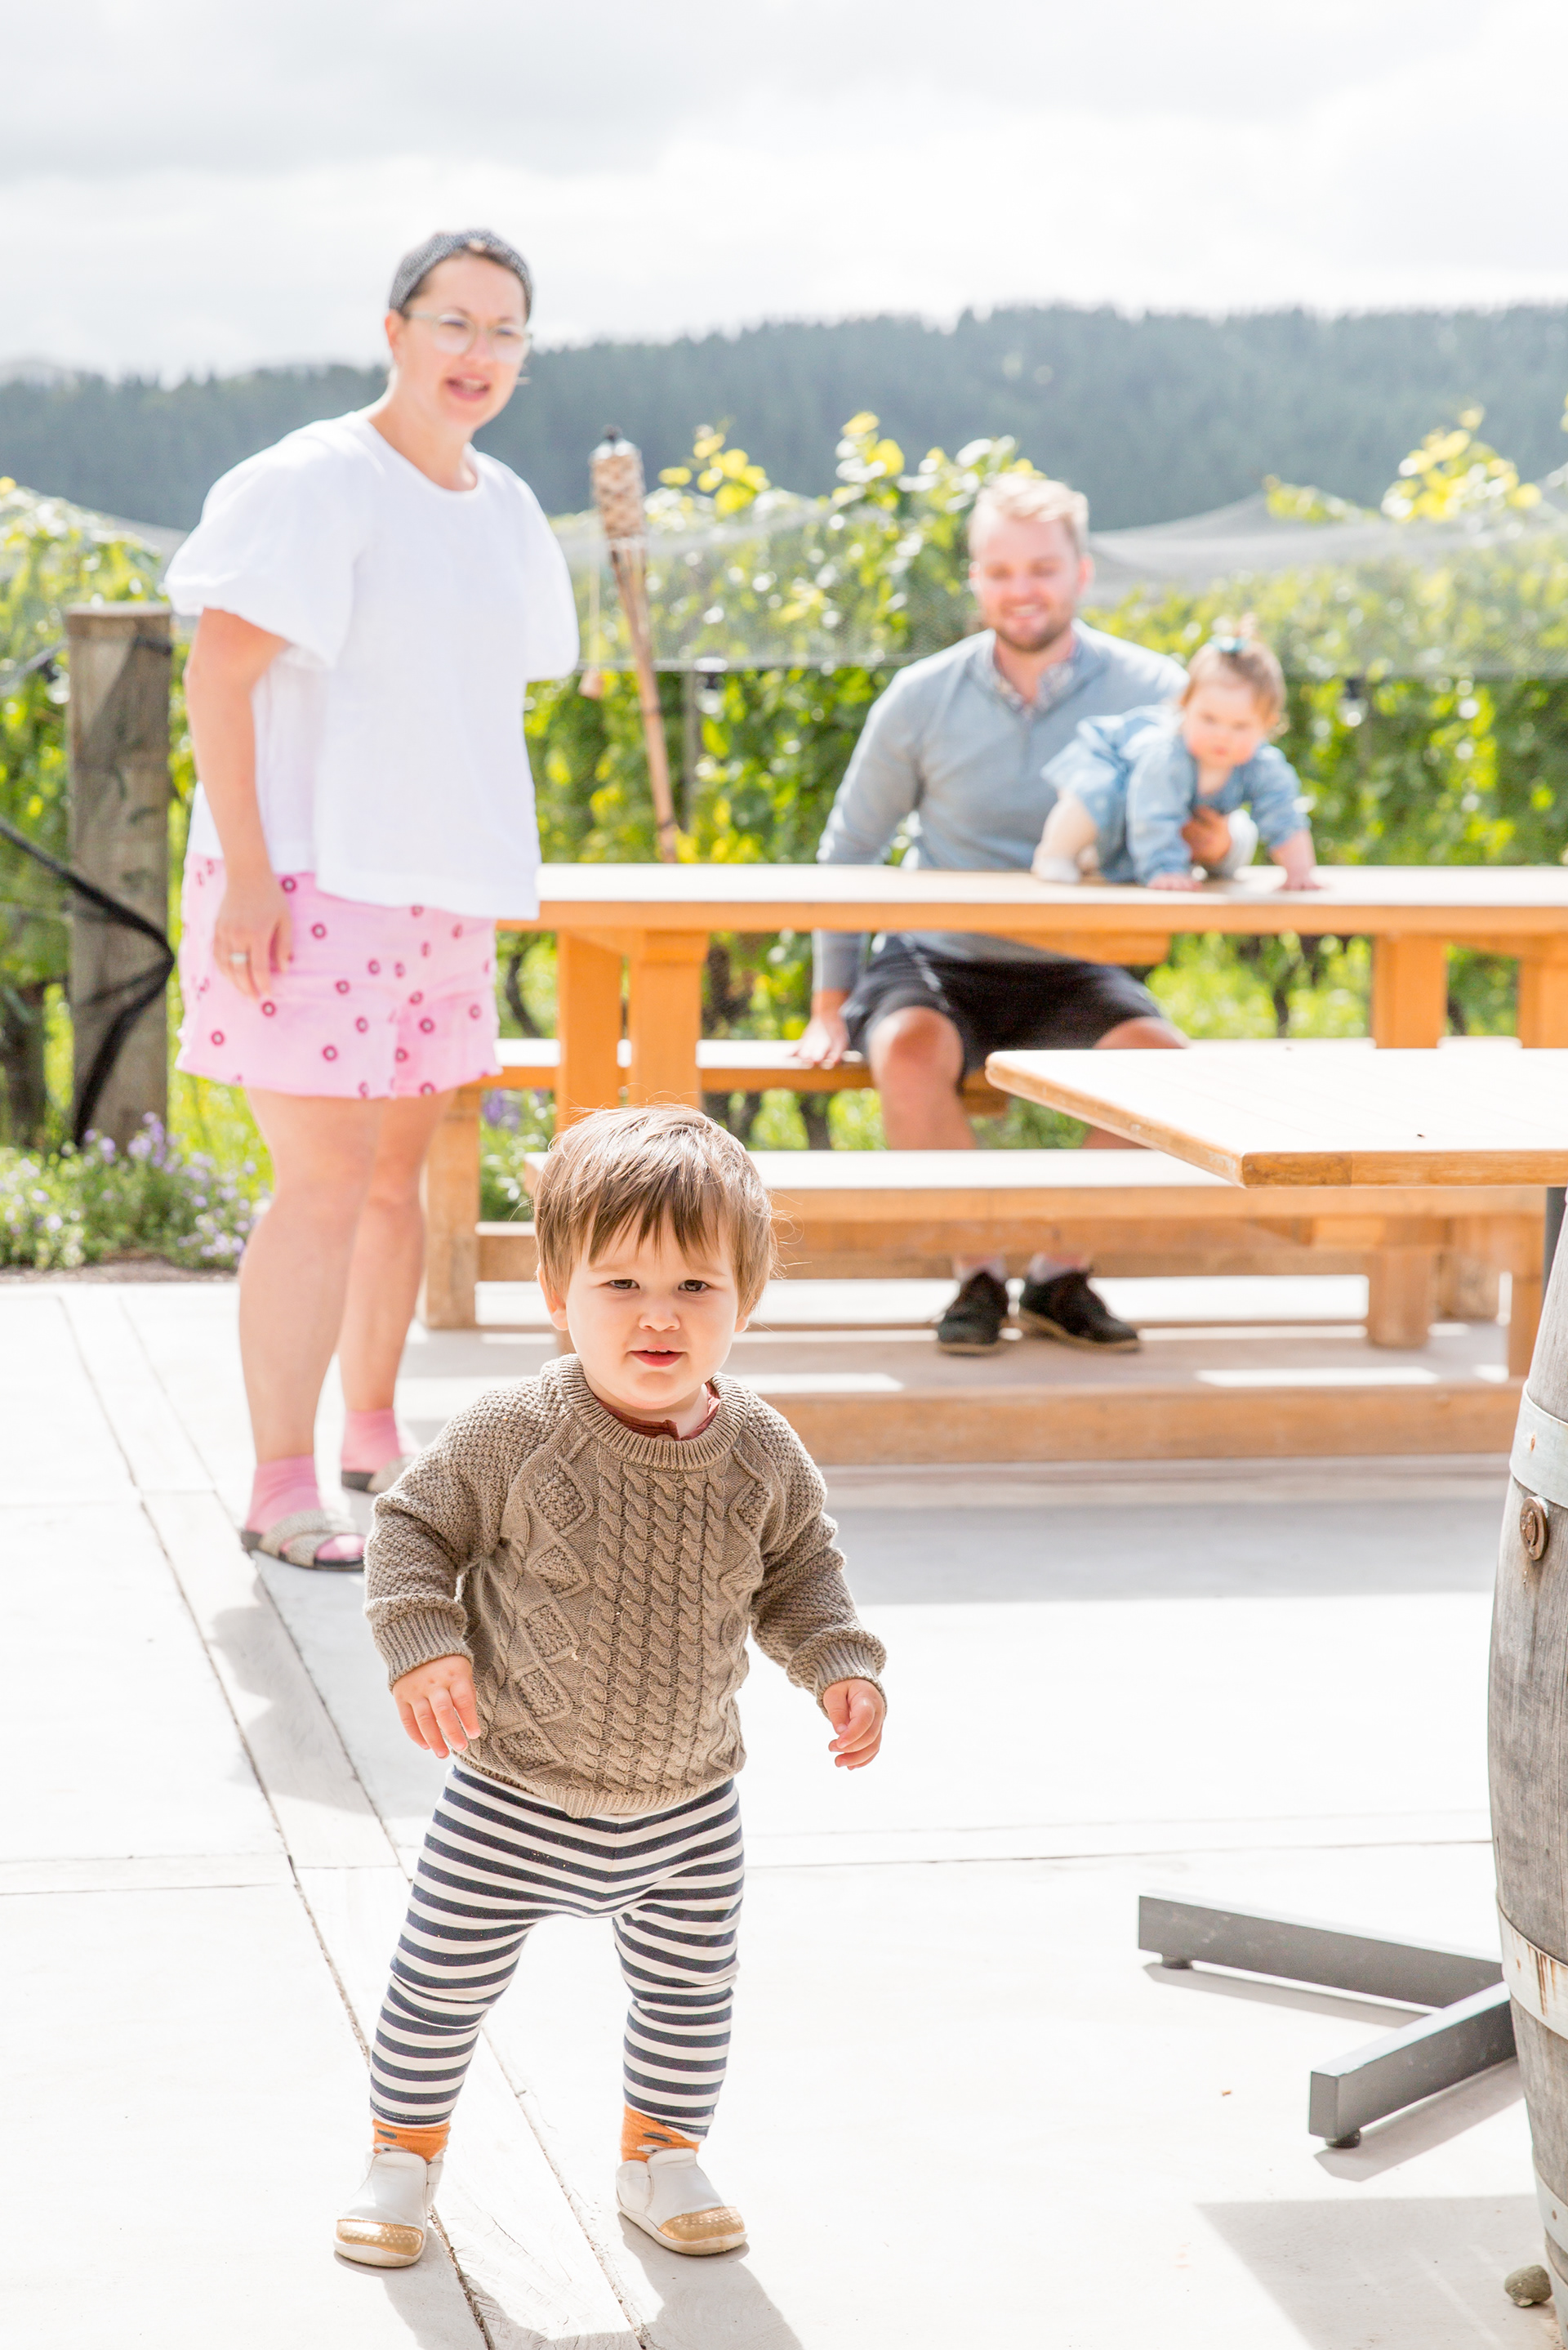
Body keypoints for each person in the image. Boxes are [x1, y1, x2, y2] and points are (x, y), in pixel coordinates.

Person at [335, 1105, 887, 2268]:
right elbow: (413, 1527)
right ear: (557, 1291)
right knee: (438, 1983)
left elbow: (802, 1572)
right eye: (621, 1283)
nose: (658, 1315)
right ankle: (402, 2154)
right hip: (514, 1790)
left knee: (691, 1994)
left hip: (688, 1804)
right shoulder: (516, 1430)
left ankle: (661, 2156)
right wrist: (425, 1640)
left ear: (746, 1299)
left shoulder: (761, 1451)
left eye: (696, 1286)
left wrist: (838, 1662)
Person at [167, 228, 577, 1567]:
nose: (478, 352)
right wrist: (246, 876)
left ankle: (373, 1436)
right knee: (323, 1186)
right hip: (309, 880)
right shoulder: (316, 481)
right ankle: (280, 1483)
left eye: (505, 330)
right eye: (453, 322)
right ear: (394, 330)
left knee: (398, 1184)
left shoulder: (505, 507)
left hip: (439, 889)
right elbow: (219, 675)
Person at [794, 471, 1245, 1358]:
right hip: (937, 958)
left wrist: (1223, 844)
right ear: (976, 579)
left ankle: (1055, 1274)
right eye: (999, 571)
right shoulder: (921, 695)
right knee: (907, 1050)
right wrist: (827, 1003)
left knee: (1164, 1069)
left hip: (1075, 962)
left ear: (1082, 572)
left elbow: (1233, 831)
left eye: (1041, 568)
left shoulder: (1155, 690)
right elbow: (850, 849)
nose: (1021, 589)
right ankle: (976, 1275)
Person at [1033, 631, 1316, 891]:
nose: (1222, 736)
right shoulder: (1169, 757)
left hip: (1138, 817)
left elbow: (1284, 815)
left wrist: (1300, 871)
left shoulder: (1263, 767)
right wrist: (1165, 869)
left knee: (1114, 830)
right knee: (1095, 798)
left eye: (1240, 726)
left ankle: (1092, 856)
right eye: (1209, 719)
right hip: (1110, 764)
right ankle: (1056, 853)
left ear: (1266, 725)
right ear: (1184, 708)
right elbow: (1153, 817)